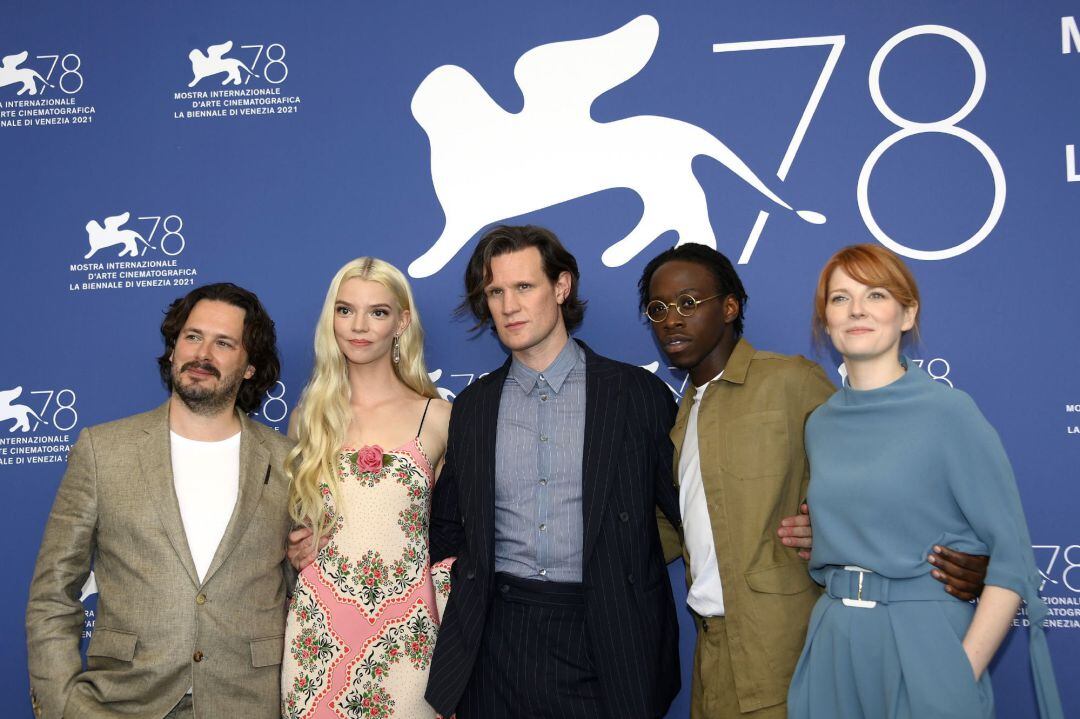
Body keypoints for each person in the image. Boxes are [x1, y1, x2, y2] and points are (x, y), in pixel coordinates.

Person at [639, 245, 988, 719]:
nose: (672, 320)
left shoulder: (790, 381)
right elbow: (669, 532)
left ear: (729, 306)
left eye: (688, 302)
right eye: (658, 309)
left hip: (785, 652)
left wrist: (955, 554)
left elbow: (880, 476)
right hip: (711, 655)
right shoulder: (679, 415)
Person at [788, 244, 1063, 718]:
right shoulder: (821, 424)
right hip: (833, 641)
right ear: (826, 322)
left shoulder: (949, 413)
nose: (856, 309)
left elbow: (1012, 560)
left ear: (907, 314)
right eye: (840, 298)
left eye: (875, 295)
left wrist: (961, 668)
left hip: (925, 641)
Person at [425, 225, 682, 719]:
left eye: (524, 287)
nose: (508, 306)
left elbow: (689, 512)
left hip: (606, 634)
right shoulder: (474, 406)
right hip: (494, 641)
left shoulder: (635, 396)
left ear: (561, 287)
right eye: (495, 291)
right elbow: (448, 526)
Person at [26, 283, 294, 719]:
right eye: (192, 336)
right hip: (121, 702)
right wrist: (61, 704)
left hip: (248, 703)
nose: (202, 353)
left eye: (223, 343)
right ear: (173, 350)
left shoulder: (289, 463)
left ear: (249, 367)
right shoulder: (103, 450)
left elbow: (308, 593)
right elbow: (53, 594)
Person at [280, 258, 452, 719]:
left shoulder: (437, 418)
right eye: (344, 310)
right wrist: (298, 540)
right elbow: (293, 526)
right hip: (319, 637)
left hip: (409, 639)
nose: (358, 326)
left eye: (377, 312)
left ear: (402, 321)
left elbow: (462, 529)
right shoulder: (306, 420)